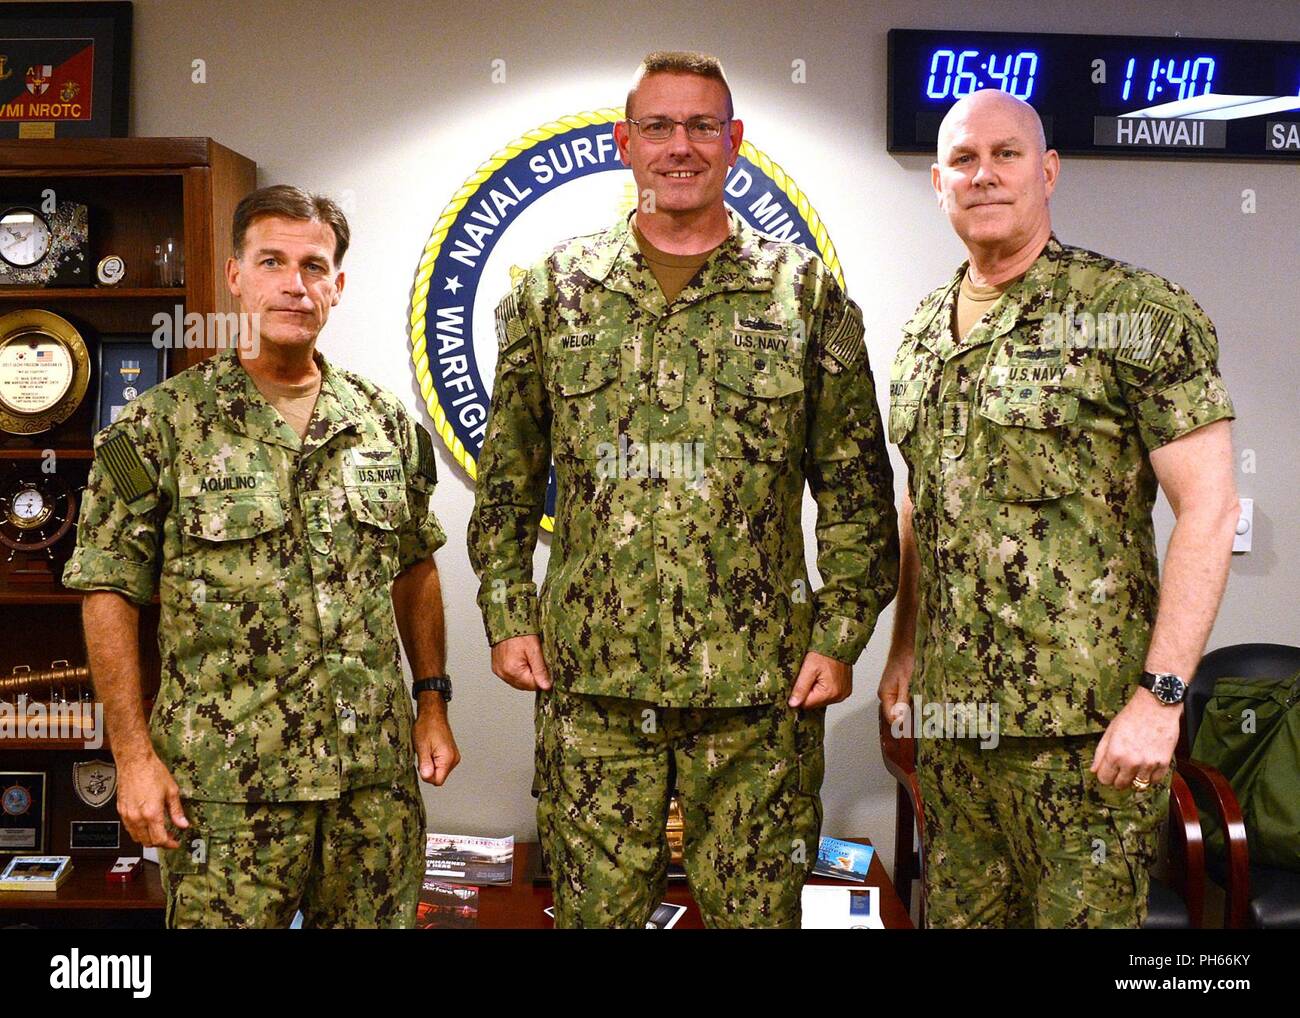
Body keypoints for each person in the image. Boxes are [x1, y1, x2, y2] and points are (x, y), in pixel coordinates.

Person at [468, 51, 898, 928]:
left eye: (703, 126)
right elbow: (507, 481)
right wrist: (508, 611)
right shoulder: (553, 290)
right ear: (626, 143)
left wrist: (841, 636)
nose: (681, 146)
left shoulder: (803, 293)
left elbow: (856, 487)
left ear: (734, 142)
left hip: (761, 694)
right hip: (595, 688)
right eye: (659, 127)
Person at [878, 89, 1240, 928]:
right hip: (956, 731)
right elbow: (923, 504)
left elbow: (1210, 509)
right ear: (939, 184)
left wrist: (1161, 697)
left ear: (1047, 172)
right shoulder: (924, 335)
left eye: (1007, 155)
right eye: (964, 160)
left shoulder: (1134, 312)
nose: (985, 175)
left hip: (1089, 740)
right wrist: (903, 649)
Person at [64, 185, 459, 928]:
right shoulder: (161, 426)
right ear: (235, 276)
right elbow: (108, 591)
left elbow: (415, 568)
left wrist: (432, 701)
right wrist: (132, 756)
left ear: (337, 286)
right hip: (224, 793)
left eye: (314, 265)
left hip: (369, 789)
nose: (294, 283)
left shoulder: (383, 425)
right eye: (271, 260)